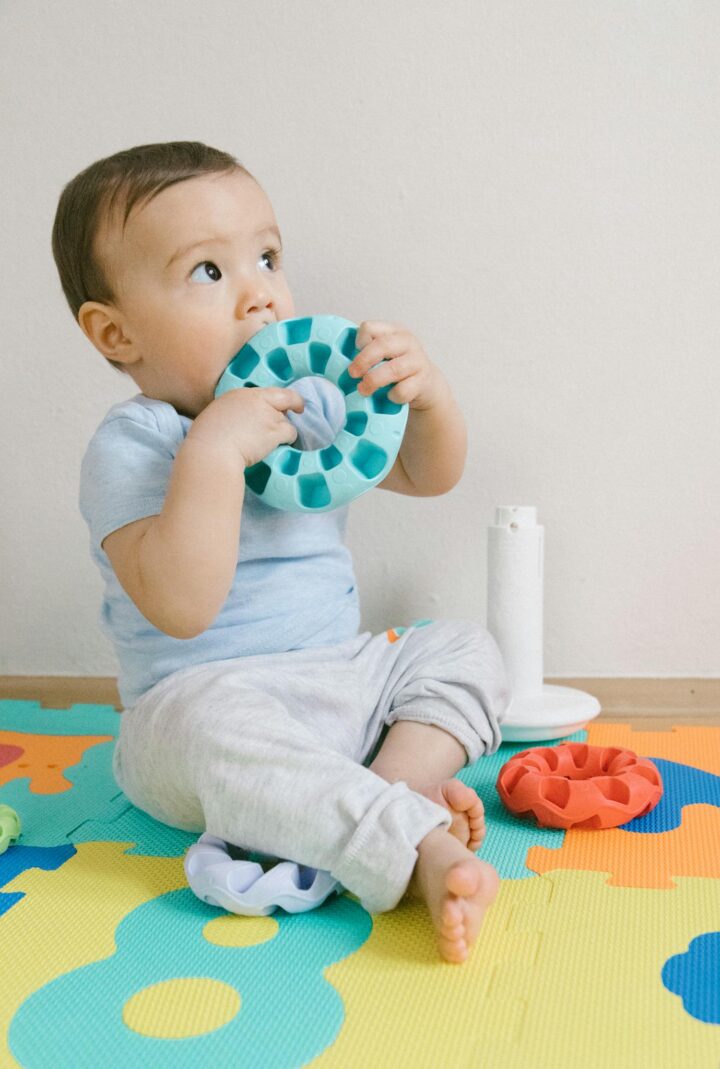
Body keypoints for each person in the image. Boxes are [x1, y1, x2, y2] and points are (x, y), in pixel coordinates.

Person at [52, 141, 509, 964]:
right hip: (201, 708)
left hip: (341, 679)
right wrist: (214, 456)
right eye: (207, 272)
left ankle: (386, 788)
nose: (260, 293)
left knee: (464, 648)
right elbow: (183, 608)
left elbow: (424, 472)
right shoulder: (133, 445)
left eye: (266, 256)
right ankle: (410, 845)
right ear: (116, 332)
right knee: (209, 729)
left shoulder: (306, 405)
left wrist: (428, 395)